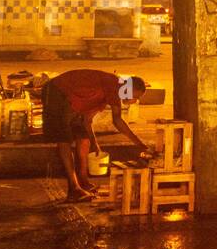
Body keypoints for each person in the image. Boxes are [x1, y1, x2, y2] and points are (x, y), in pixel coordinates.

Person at [41, 69, 152, 201]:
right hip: (57, 91)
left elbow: (87, 121)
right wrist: (140, 144)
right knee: (64, 139)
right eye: (136, 96)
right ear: (129, 87)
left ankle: (82, 181)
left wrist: (95, 143)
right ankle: (74, 188)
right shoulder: (114, 85)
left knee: (84, 138)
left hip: (73, 100)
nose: (134, 100)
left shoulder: (106, 95)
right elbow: (117, 120)